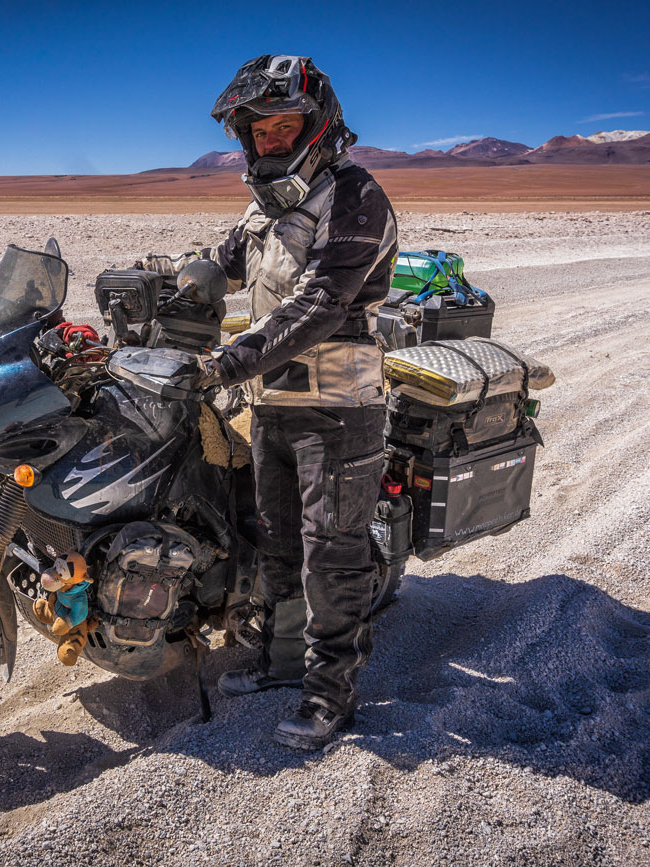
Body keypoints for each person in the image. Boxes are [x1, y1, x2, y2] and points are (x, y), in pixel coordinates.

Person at [198, 55, 398, 750]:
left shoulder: (355, 196)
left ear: (318, 125)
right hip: (275, 405)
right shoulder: (265, 209)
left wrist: (225, 360)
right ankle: (282, 665)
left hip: (340, 410)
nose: (272, 141)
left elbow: (317, 306)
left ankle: (330, 694)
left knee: (331, 555)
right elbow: (216, 265)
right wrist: (155, 283)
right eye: (260, 130)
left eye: (286, 126)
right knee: (278, 542)